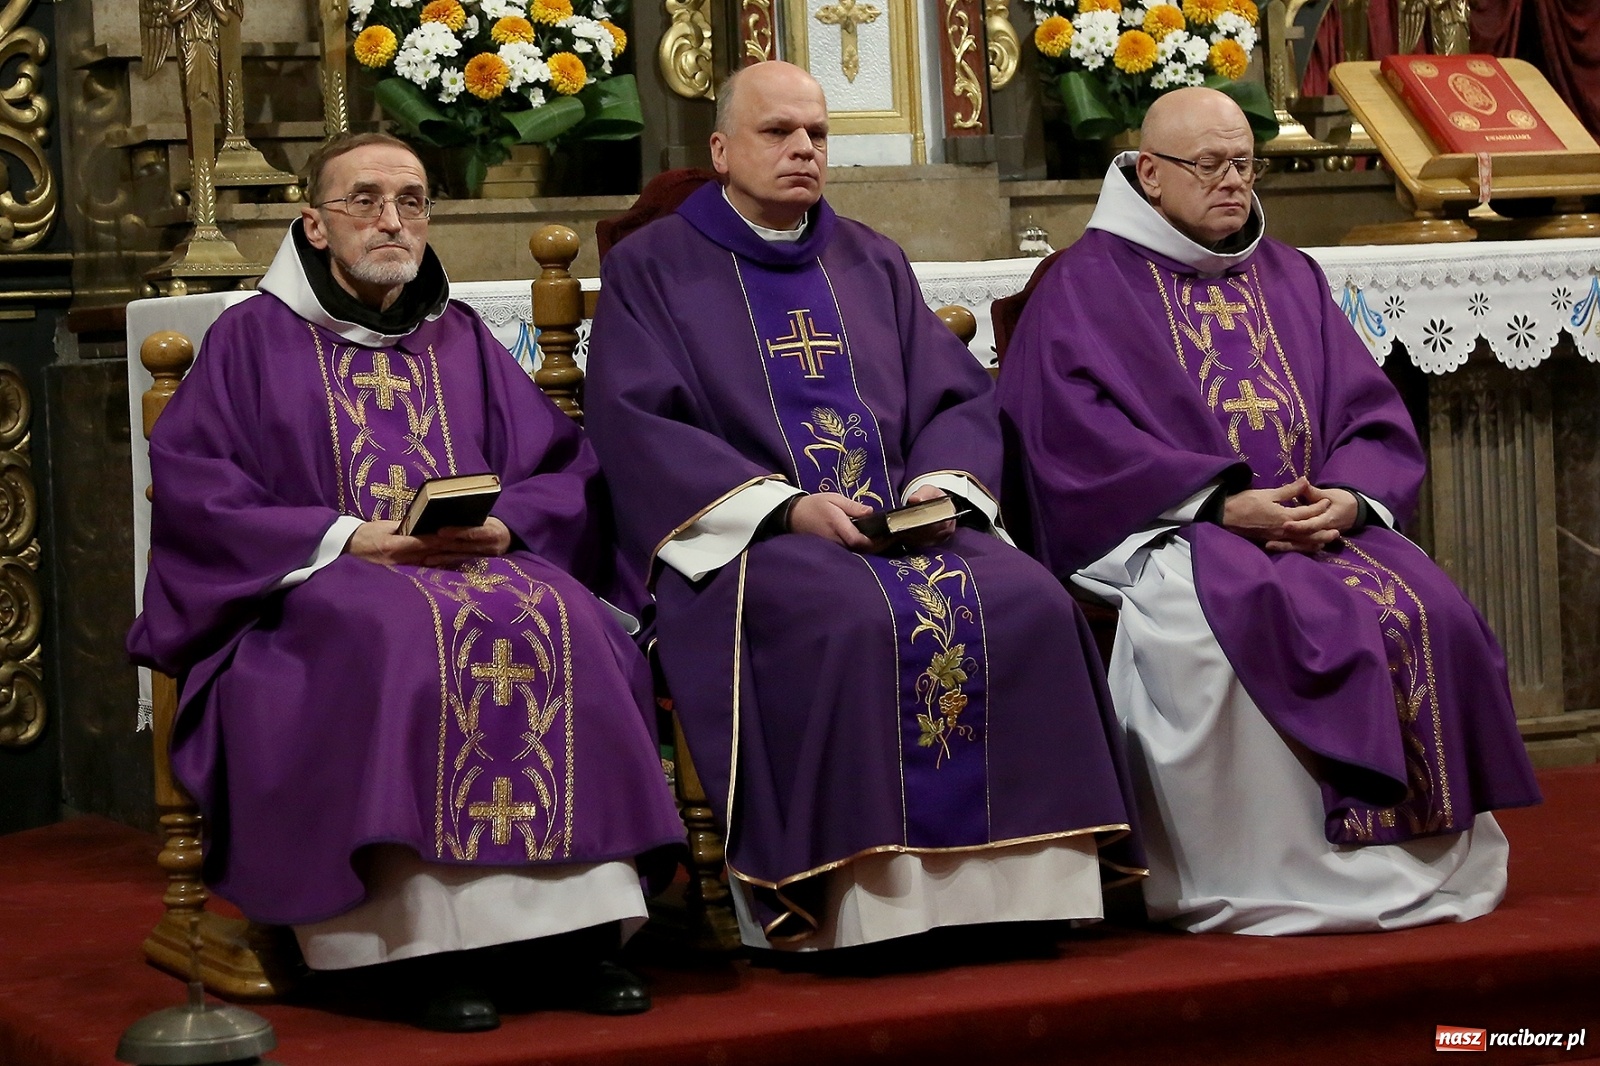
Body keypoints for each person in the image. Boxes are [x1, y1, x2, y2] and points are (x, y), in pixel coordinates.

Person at [127, 133, 685, 1030]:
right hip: (314, 592)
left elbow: (562, 466)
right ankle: (414, 946)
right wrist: (348, 536)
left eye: (413, 201)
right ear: (314, 223)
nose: (393, 220)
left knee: (569, 619)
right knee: (395, 631)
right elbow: (200, 489)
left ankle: (575, 938)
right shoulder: (251, 340)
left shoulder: (457, 337)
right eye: (366, 200)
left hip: (476, 563)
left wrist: (512, 523)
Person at [584, 61, 1141, 955]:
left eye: (817, 133)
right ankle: (863, 906)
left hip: (900, 521)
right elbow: (635, 421)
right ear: (721, 149)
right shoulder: (654, 268)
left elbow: (953, 396)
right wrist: (786, 509)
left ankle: (1023, 891)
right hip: (754, 539)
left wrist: (938, 485)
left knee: (1032, 603)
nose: (804, 148)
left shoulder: (867, 256)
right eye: (779, 132)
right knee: (846, 616)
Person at [995, 87, 1542, 935]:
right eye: (1207, 165)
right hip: (1176, 525)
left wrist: (1351, 498)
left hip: (1314, 521)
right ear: (1149, 174)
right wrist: (1216, 501)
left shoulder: (1289, 273)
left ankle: (1421, 854)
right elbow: (1065, 435)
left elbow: (1367, 410)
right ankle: (1267, 867)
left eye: (1244, 165)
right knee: (1212, 628)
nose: (1232, 183)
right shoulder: (1084, 284)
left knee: (1432, 608)